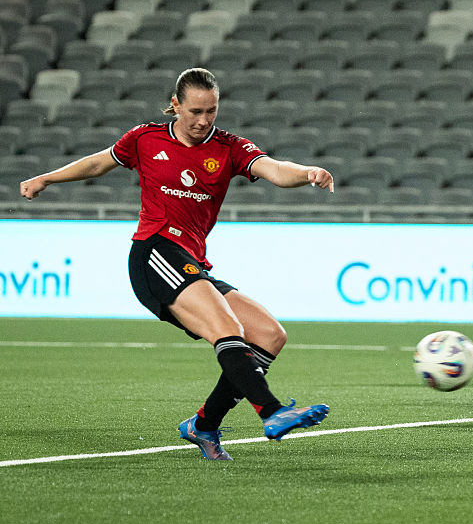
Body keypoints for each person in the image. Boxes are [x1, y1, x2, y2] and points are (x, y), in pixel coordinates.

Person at [19, 67, 335, 461]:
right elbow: (99, 163)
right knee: (227, 328)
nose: (204, 121)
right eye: (196, 112)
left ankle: (204, 425)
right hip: (154, 252)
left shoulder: (228, 147)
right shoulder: (145, 138)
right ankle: (272, 412)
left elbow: (273, 169)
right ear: (175, 106)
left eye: (211, 111)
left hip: (192, 263)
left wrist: (306, 173)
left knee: (269, 335)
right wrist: (47, 179)